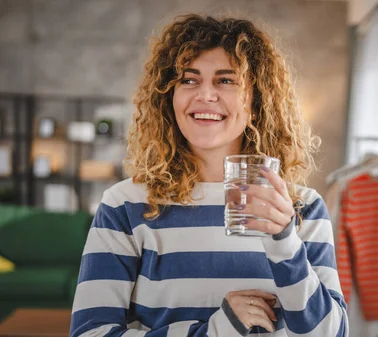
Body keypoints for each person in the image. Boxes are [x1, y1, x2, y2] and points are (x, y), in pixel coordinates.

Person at [69, 14, 348, 337]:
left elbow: (331, 333)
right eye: (189, 80)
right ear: (168, 97)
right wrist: (217, 329)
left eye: (226, 80)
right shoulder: (125, 206)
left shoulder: (301, 207)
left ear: (256, 101)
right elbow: (90, 333)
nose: (205, 95)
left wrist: (285, 243)